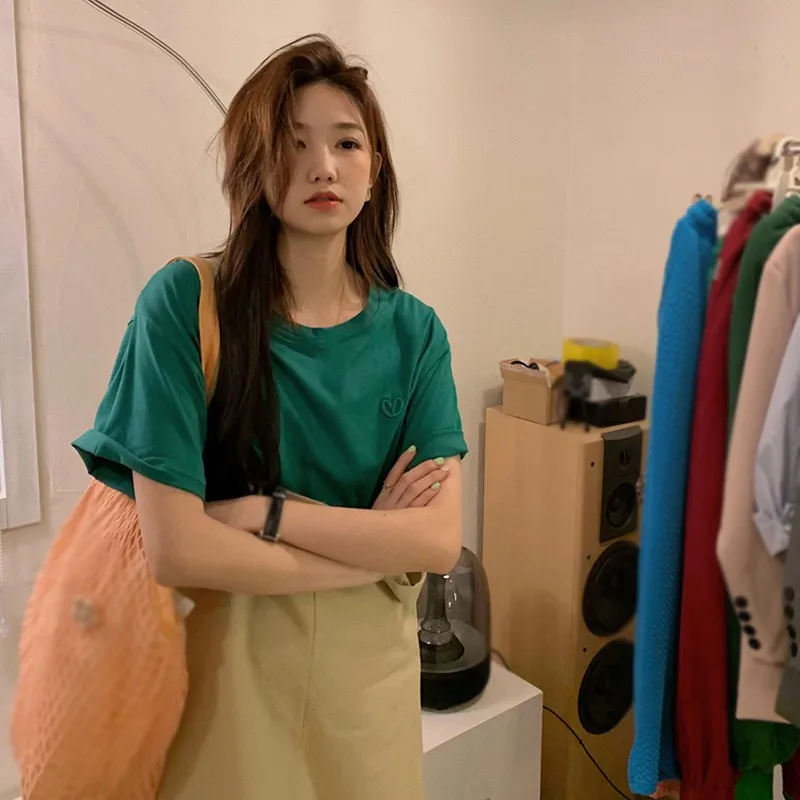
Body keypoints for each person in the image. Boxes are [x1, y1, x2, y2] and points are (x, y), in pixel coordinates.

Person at [71, 33, 467, 799]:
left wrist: (265, 513)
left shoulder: (414, 332)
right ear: (253, 164)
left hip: (368, 690)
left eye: (346, 142)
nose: (323, 166)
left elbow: (435, 539)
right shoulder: (184, 304)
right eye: (293, 143)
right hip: (227, 683)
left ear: (375, 169)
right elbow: (177, 550)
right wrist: (371, 549)